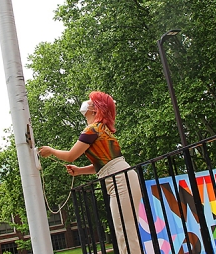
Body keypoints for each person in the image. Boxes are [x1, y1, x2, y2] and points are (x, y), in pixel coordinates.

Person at [39, 91, 142, 253]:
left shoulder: (92, 129)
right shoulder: (102, 129)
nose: (87, 102)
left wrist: (51, 150)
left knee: (125, 233)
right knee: (125, 232)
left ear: (95, 109)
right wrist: (80, 171)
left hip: (119, 180)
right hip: (121, 177)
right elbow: (104, 164)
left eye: (91, 101)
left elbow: (71, 156)